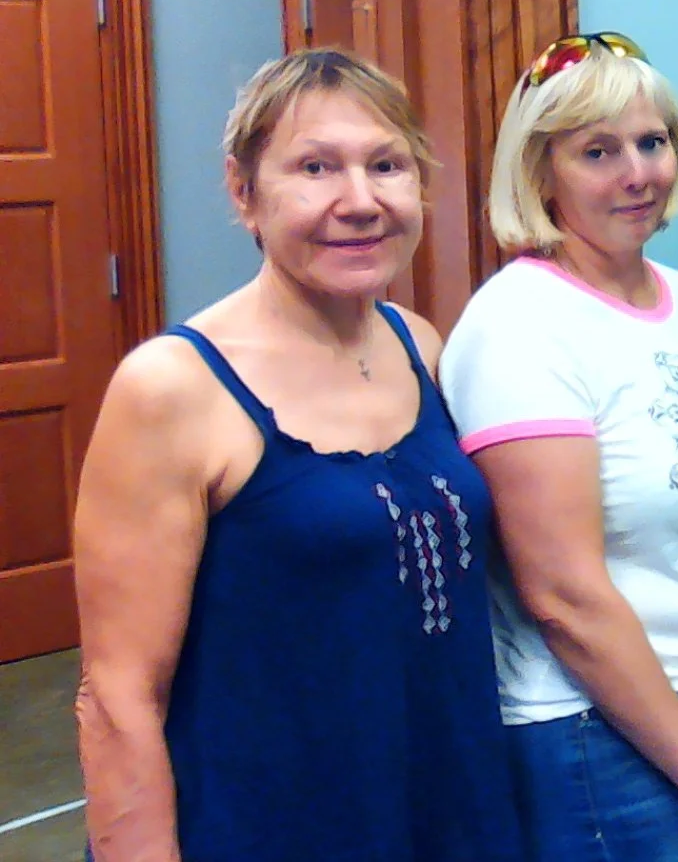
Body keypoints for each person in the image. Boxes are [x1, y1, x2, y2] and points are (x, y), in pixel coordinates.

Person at [73, 49, 522, 862]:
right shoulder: (171, 389)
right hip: (272, 827)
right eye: (315, 168)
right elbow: (118, 697)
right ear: (245, 193)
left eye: (386, 165)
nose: (359, 201)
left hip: (448, 809)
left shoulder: (416, 343)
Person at [438, 33, 678, 862]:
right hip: (602, 734)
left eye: (651, 142)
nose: (637, 173)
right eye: (598, 151)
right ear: (540, 171)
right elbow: (562, 595)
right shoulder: (520, 324)